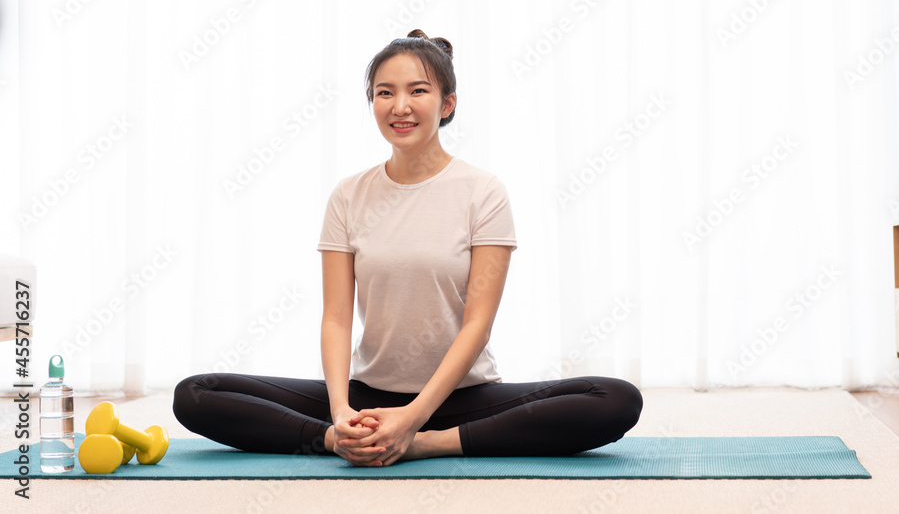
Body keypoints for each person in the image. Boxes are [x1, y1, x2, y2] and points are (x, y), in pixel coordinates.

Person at [172, 30, 643, 467]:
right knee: (195, 393)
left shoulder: (483, 192)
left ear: (447, 103)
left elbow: (477, 324)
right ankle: (341, 442)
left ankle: (429, 445)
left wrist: (414, 420)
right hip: (367, 398)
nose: (400, 106)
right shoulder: (348, 195)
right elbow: (336, 318)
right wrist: (341, 414)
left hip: (460, 399)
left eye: (418, 91)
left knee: (616, 399)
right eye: (385, 93)